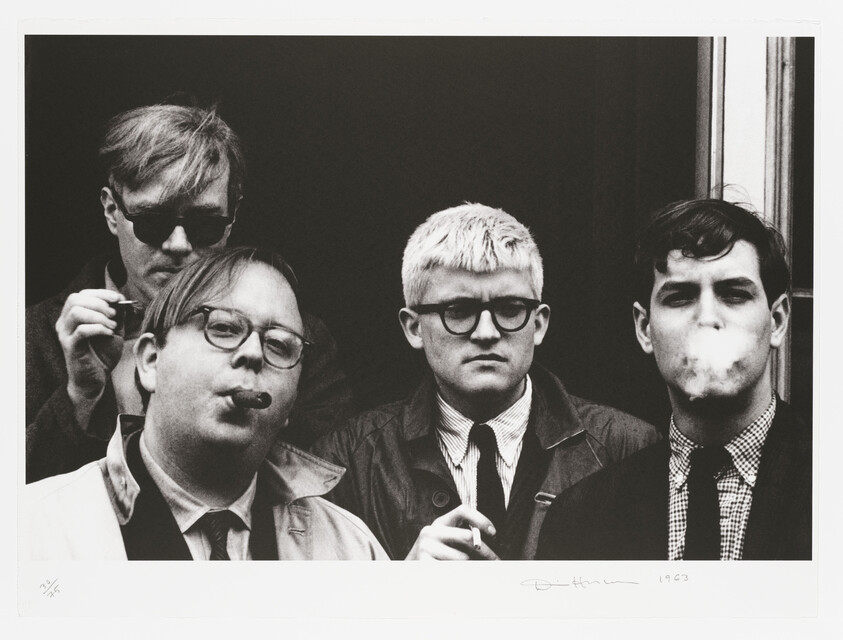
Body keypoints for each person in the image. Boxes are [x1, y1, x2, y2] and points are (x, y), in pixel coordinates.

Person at [26, 102, 352, 483]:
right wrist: (77, 399)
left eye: (204, 225)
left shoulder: (293, 344)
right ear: (112, 210)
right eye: (152, 222)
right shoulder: (30, 337)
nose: (178, 244)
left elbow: (319, 495)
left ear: (232, 219)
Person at [312, 203, 658, 560]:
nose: (487, 332)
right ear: (413, 327)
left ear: (538, 324)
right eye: (458, 311)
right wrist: (401, 584)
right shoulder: (344, 463)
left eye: (510, 309)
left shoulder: (626, 449)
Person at [24, 247, 387, 560]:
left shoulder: (351, 551)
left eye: (279, 345)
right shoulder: (31, 533)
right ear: (151, 361)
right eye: (224, 328)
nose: (253, 353)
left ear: (291, 404)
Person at [536, 198, 811, 561]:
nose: (707, 318)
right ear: (644, 328)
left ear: (776, 322)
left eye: (734, 294)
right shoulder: (580, 519)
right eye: (680, 298)